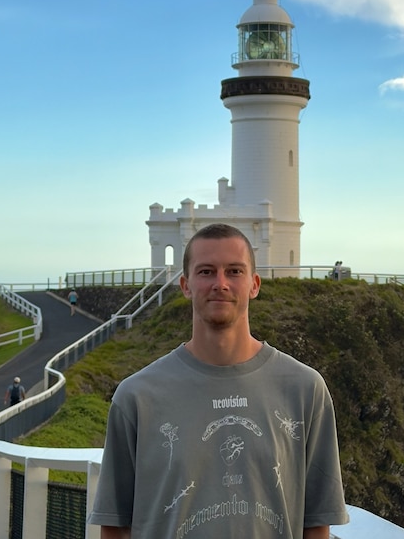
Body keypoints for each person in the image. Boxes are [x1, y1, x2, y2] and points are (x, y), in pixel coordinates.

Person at [88, 223, 349, 538]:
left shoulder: (306, 390)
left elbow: (317, 523)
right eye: (206, 272)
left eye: (234, 271)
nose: (220, 283)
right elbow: (114, 525)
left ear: (254, 284)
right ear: (185, 285)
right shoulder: (136, 397)